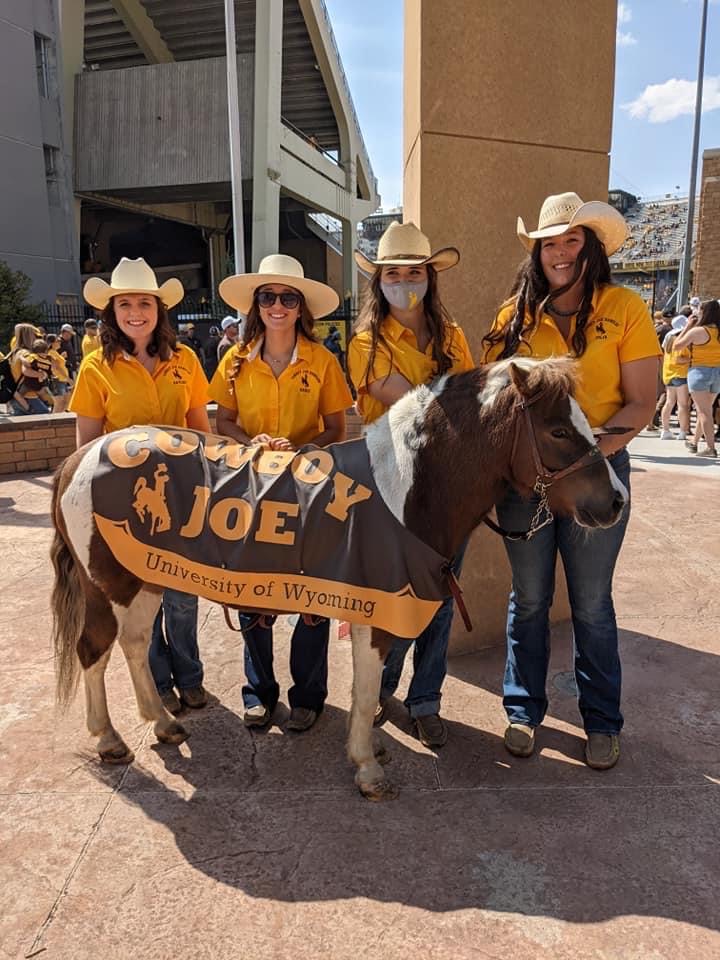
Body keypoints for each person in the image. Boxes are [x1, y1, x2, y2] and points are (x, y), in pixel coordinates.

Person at [482, 192, 660, 770]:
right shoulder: (513, 317)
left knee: (590, 604)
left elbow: (642, 402)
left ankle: (602, 721)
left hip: (595, 472)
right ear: (537, 252)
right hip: (527, 485)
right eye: (549, 243)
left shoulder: (625, 308)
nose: (559, 252)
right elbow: (492, 398)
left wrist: (585, 456)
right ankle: (522, 711)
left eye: (570, 240)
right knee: (529, 599)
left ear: (591, 249)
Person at [208, 254, 352, 732]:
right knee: (251, 590)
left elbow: (337, 427)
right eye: (267, 297)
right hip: (248, 489)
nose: (277, 305)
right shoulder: (233, 361)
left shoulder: (323, 360)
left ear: (300, 307)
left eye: (287, 298)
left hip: (306, 491)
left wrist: (307, 446)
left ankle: (308, 695)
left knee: (310, 592)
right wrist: (249, 442)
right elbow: (222, 420)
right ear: (256, 306)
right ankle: (259, 692)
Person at [347, 220, 474, 748]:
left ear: (429, 276)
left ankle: (425, 700)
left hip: (449, 486)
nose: (403, 281)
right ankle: (385, 686)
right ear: (379, 280)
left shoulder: (455, 335)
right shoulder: (364, 342)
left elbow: (463, 401)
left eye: (413, 271)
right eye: (392, 272)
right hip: (393, 486)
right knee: (396, 596)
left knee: (441, 598)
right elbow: (428, 404)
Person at [69, 257, 211, 714]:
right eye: (125, 303)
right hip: (124, 503)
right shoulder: (95, 368)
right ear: (111, 312)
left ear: (158, 309)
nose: (136, 312)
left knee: (183, 596)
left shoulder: (185, 360)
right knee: (137, 597)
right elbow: (86, 446)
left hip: (181, 494)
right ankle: (156, 679)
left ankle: (189, 675)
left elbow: (200, 430)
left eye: (144, 303)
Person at [672, 298, 720, 458]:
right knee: (705, 410)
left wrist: (687, 326)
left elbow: (676, 346)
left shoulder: (697, 331)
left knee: (704, 412)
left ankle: (710, 448)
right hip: (718, 373)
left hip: (699, 372)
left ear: (705, 313)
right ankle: (694, 442)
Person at [7, 323, 51, 415]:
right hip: (29, 396)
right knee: (44, 417)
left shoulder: (14, 352)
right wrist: (42, 374)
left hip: (17, 395)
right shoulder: (26, 354)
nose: (37, 338)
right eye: (36, 336)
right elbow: (26, 371)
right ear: (29, 336)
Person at [659, 330, 690, 440]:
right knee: (682, 405)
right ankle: (682, 432)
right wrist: (691, 358)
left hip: (669, 375)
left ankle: (665, 430)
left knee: (669, 403)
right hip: (680, 375)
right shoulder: (680, 343)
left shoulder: (669, 341)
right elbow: (679, 359)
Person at [46, 333, 72, 412]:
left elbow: (57, 364)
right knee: (59, 403)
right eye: (58, 341)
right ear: (52, 343)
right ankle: (55, 421)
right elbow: (56, 367)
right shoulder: (51, 353)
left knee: (66, 401)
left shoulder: (54, 352)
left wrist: (61, 357)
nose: (60, 342)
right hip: (58, 380)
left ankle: (59, 418)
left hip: (62, 380)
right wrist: (68, 379)